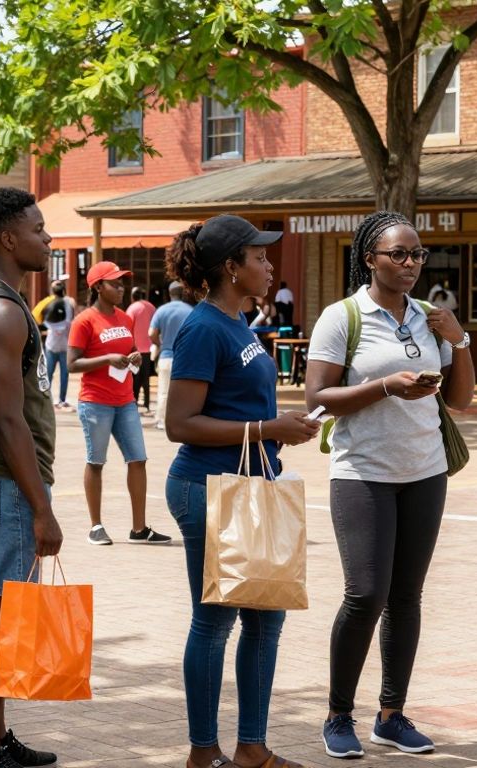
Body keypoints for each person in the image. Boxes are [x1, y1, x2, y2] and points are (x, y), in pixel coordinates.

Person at [306, 212, 475, 760]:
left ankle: (391, 715)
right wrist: (383, 387)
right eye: (398, 254)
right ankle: (337, 715)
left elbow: (460, 400)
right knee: (365, 595)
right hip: (363, 473)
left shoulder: (430, 318)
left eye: (418, 254)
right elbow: (318, 397)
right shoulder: (343, 316)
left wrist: (461, 340)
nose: (411, 264)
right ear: (369, 259)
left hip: (424, 471)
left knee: (406, 598)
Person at [162, 214, 321, 768]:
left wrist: (282, 426)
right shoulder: (204, 327)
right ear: (231, 267)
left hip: (248, 486)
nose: (270, 264)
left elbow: (239, 407)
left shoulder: (238, 323)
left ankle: (251, 746)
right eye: (259, 256)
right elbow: (179, 423)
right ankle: (204, 752)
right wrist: (267, 430)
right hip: (208, 487)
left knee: (265, 616)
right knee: (214, 621)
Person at [0, 187, 64, 768]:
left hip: (7, 478)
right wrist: (42, 508)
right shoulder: (0, 310)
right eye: (39, 230)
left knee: (9, 607)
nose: (47, 239)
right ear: (7, 238)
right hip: (5, 480)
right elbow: (6, 417)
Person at [69, 262, 171, 547]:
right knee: (96, 461)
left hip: (125, 400)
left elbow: (128, 350)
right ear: (98, 287)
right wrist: (105, 360)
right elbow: (72, 363)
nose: (121, 288)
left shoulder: (126, 319)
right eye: (115, 283)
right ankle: (96, 526)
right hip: (95, 401)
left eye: (122, 283)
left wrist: (135, 356)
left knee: (138, 459)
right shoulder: (84, 321)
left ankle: (139, 529)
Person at [149, 281, 192, 430]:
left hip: (166, 356)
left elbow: (151, 333)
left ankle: (162, 421)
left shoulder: (161, 310)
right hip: (185, 358)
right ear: (183, 293)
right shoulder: (190, 311)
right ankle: (185, 421)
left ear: (169, 294)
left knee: (164, 392)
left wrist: (160, 344)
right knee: (185, 393)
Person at [42, 280, 74, 410]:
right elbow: (69, 322)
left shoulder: (49, 303)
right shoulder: (68, 304)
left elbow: (43, 319)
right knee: (63, 374)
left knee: (49, 372)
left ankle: (46, 399)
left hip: (52, 344)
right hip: (64, 344)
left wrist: (54, 328)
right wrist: (61, 329)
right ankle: (61, 399)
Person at [126, 286, 157, 412]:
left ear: (133, 297)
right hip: (149, 349)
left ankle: (135, 402)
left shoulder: (132, 308)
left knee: (135, 377)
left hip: (136, 350)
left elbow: (127, 328)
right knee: (146, 378)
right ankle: (147, 403)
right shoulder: (151, 307)